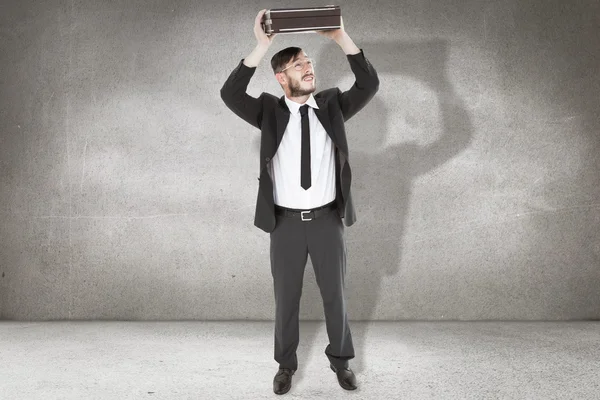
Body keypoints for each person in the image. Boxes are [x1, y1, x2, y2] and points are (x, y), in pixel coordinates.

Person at [220, 9, 379, 395]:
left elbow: (369, 83)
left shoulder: (332, 106)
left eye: (308, 63)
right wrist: (262, 46)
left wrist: (341, 37)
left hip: (327, 221)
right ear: (281, 77)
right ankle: (285, 367)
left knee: (336, 297)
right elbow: (229, 94)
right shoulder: (269, 112)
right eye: (298, 65)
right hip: (286, 224)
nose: (308, 69)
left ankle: (340, 361)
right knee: (285, 300)